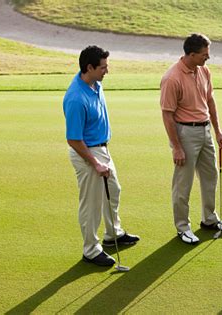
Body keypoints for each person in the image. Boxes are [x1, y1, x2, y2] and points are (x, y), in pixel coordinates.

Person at [63, 45, 140, 266]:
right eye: (103, 67)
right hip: (87, 153)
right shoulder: (76, 98)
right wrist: (95, 163)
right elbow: (74, 140)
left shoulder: (95, 84)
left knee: (113, 191)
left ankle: (113, 233)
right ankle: (90, 250)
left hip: (102, 149)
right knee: (92, 204)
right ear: (90, 67)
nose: (107, 71)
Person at [160, 33, 222, 244]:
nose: (207, 58)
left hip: (205, 131)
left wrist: (218, 131)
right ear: (191, 54)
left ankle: (209, 219)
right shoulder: (172, 78)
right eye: (204, 54)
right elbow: (167, 114)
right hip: (185, 133)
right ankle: (183, 227)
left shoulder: (203, 70)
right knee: (183, 183)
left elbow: (209, 100)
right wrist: (176, 147)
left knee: (210, 176)